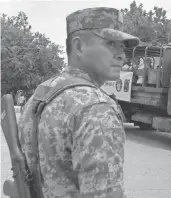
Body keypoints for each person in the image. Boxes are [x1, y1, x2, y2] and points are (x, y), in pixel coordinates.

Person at [17, 7, 140, 198]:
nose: (121, 55)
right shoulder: (96, 108)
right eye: (110, 44)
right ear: (79, 46)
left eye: (122, 47)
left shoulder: (41, 94)